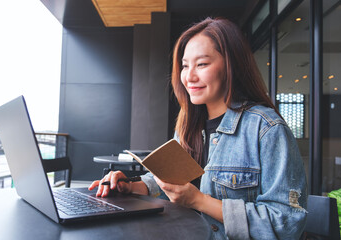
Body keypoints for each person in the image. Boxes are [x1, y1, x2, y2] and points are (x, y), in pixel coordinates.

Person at [89, 17, 307, 239]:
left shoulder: (266, 128)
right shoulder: (188, 124)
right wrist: (131, 186)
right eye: (185, 66)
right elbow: (171, 184)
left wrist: (199, 201)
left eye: (202, 64)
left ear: (232, 65)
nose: (189, 76)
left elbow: (285, 223)